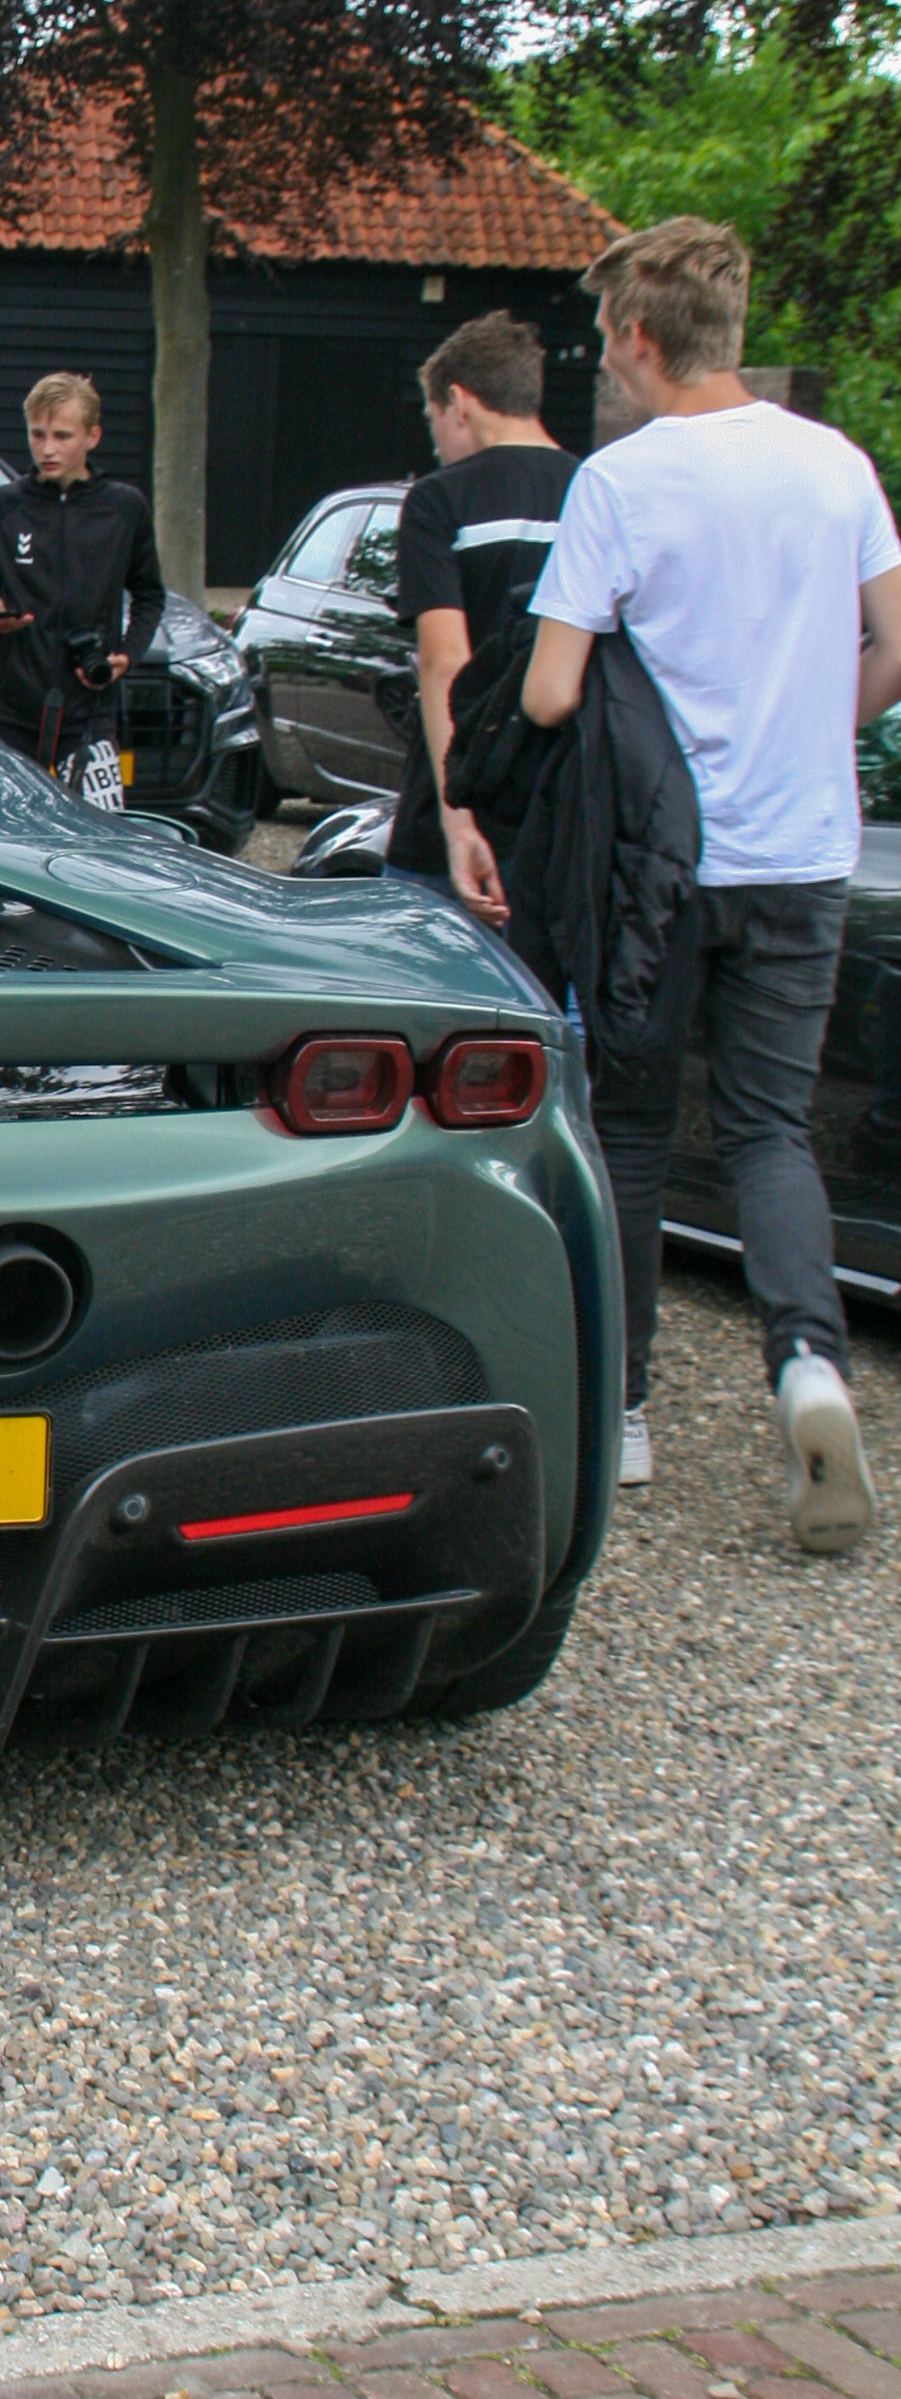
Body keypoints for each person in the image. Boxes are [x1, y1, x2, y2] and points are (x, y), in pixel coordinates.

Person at [522, 215, 901, 1548]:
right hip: (805, 850)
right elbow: (895, 647)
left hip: (660, 870)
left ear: (636, 336)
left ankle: (622, 1412)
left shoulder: (622, 482)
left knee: (628, 1127)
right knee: (769, 1130)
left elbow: (553, 686)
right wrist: (818, 721)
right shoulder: (837, 465)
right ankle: (807, 1364)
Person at [387, 315, 578, 924]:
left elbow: (447, 661)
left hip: (460, 801)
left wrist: (456, 821)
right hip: (561, 806)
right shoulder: (598, 493)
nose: (437, 440)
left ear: (460, 403)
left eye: (432, 419)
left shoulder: (439, 500)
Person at [0, 372, 164, 781]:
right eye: (37, 434)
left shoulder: (125, 509)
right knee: (4, 834)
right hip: (8, 706)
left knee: (98, 835)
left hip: (89, 706)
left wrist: (126, 654)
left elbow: (149, 595)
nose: (47, 449)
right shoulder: (2, 506)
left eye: (62, 436)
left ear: (93, 436)